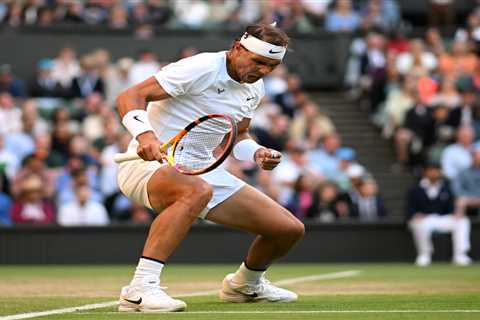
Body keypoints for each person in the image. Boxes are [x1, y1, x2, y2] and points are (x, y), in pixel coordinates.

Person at [115, 23, 304, 312]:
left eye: (272, 66)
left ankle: (245, 285)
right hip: (147, 168)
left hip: (201, 173)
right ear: (238, 49)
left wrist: (258, 153)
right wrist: (146, 135)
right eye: (258, 62)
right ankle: (139, 289)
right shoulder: (201, 66)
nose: (264, 71)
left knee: (288, 229)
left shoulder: (255, 87)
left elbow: (238, 136)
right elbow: (130, 96)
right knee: (196, 191)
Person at [407, 162, 472, 267]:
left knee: (463, 221)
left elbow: (451, 207)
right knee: (418, 224)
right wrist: (416, 215)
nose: (434, 173)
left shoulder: (446, 187)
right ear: (425, 172)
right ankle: (424, 255)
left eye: (437, 170)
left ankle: (460, 255)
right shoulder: (415, 189)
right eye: (431, 170)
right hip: (424, 220)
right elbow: (410, 209)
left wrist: (455, 213)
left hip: (442, 219)